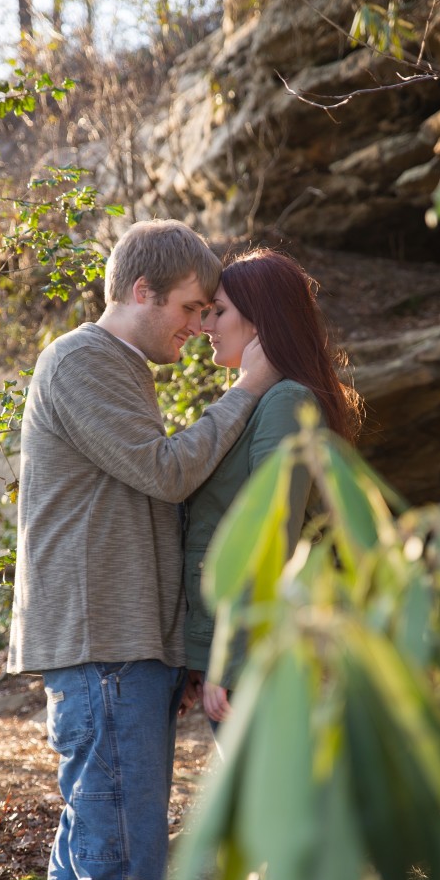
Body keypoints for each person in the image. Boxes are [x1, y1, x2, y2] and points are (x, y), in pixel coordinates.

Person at [7, 219, 279, 880]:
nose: (197, 325)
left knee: (91, 858)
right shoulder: (81, 360)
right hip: (105, 651)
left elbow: (144, 510)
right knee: (123, 864)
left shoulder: (121, 370)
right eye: (192, 308)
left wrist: (174, 647)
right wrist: (250, 388)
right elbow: (166, 472)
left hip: (128, 651)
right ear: (141, 291)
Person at [183, 249, 360, 724]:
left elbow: (269, 536)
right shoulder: (257, 401)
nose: (205, 326)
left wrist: (232, 661)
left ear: (260, 321)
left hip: (262, 652)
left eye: (218, 311)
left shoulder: (286, 401)